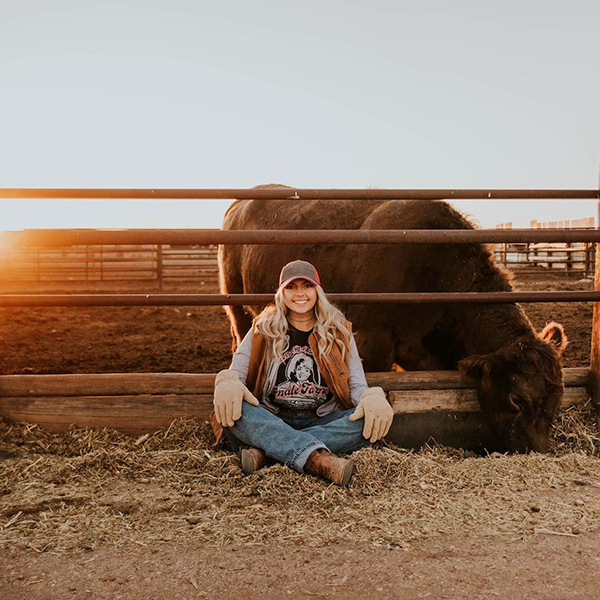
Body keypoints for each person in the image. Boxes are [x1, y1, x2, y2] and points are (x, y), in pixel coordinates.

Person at [210, 260, 394, 486]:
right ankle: (320, 461)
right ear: (281, 293)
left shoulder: (339, 331)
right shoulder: (263, 328)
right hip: (270, 416)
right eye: (291, 287)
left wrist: (371, 397)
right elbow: (236, 373)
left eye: (306, 286)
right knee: (236, 412)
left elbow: (356, 386)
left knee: (366, 422)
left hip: (322, 418)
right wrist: (227, 382)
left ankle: (267, 452)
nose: (300, 293)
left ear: (317, 291)